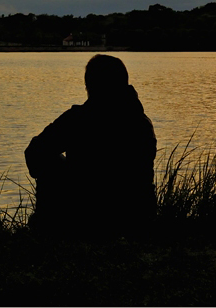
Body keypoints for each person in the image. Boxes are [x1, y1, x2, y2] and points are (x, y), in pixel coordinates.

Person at [24, 54, 157, 236]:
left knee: (48, 160)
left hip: (86, 220)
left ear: (89, 87)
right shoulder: (142, 123)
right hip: (138, 220)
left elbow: (34, 152)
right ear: (124, 83)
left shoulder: (78, 119)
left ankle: (47, 226)